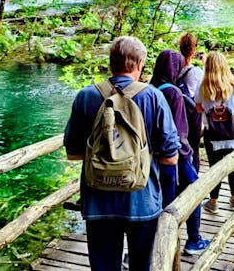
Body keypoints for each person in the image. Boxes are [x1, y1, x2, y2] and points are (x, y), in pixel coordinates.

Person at [64, 36, 180, 271]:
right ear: (139, 65)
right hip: (142, 201)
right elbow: (171, 156)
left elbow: (73, 153)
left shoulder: (85, 97)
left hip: (98, 204)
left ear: (110, 63)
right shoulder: (153, 97)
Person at [150, 49, 210, 256]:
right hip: (175, 156)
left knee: (159, 202)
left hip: (152, 157)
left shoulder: (149, 89)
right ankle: (194, 240)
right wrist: (188, 153)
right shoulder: (174, 93)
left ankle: (145, 250)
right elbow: (178, 130)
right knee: (195, 192)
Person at [196, 51, 234, 213]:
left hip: (213, 135)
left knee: (214, 169)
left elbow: (198, 108)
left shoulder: (202, 86)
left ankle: (213, 202)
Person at [177, 32, 205, 171]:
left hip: (177, 111)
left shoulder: (174, 67)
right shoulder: (196, 71)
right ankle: (194, 180)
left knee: (180, 147)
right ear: (194, 49)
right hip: (193, 113)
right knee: (194, 148)